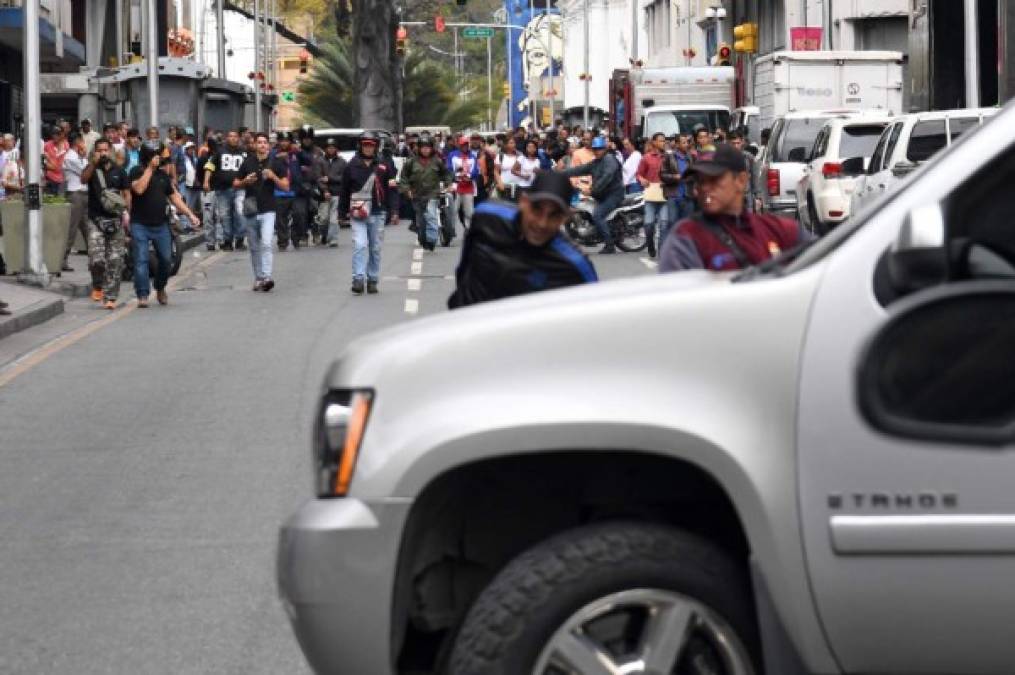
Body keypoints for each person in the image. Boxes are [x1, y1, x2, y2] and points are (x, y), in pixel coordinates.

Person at [448, 171, 597, 308]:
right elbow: (464, 268)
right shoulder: (487, 217)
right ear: (523, 202)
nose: (542, 223)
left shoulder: (575, 264)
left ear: (564, 218)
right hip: (466, 325)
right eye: (537, 210)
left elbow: (591, 316)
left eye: (554, 215)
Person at [658, 144, 813, 273]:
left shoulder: (780, 230)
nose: (704, 188)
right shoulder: (685, 238)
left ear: (741, 180)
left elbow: (823, 268)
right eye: (700, 181)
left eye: (714, 180)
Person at [128, 143, 201, 307]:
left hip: (161, 225)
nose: (159, 159)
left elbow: (174, 197)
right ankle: (142, 294)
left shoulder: (163, 176)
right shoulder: (136, 172)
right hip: (140, 224)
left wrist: (190, 215)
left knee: (167, 260)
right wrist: (149, 169)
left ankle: (160, 287)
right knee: (141, 259)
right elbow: (139, 189)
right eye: (156, 156)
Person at [339, 131, 398, 295]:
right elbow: (344, 191)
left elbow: (392, 189)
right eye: (365, 144)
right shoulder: (351, 165)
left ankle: (372, 279)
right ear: (360, 145)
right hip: (357, 213)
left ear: (376, 146)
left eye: (371, 145)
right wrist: (341, 213)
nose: (368, 148)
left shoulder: (384, 165)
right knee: (359, 244)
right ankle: (358, 278)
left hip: (378, 212)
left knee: (375, 248)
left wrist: (394, 210)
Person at [237, 132, 289, 291]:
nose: (262, 145)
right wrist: (246, 181)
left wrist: (273, 176)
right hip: (251, 209)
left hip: (268, 209)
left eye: (265, 142)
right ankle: (258, 277)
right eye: (259, 142)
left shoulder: (277, 163)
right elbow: (236, 182)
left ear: (269, 145)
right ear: (254, 145)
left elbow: (286, 186)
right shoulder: (247, 162)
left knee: (266, 243)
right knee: (254, 246)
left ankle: (267, 276)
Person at [84, 138, 131, 309]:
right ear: (95, 152)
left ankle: (111, 297)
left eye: (105, 150)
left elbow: (126, 194)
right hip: (95, 219)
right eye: (99, 150)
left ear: (111, 151)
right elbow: (83, 179)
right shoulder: (92, 170)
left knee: (115, 260)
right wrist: (92, 164)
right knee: (97, 260)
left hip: (115, 220)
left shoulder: (120, 171)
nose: (103, 153)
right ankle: (97, 285)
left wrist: (127, 214)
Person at [558, 136, 625, 254]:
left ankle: (610, 245)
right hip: (601, 195)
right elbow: (578, 170)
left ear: (604, 149)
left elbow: (606, 177)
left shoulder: (609, 159)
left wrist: (592, 190)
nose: (597, 151)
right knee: (587, 211)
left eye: (599, 149)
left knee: (598, 215)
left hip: (614, 195)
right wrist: (558, 174)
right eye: (595, 149)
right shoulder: (595, 163)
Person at [400, 133, 452, 251]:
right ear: (418, 148)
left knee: (431, 217)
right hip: (417, 195)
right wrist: (406, 190)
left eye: (428, 147)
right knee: (420, 221)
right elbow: (404, 178)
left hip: (432, 194)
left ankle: (432, 239)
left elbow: (446, 174)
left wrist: (449, 185)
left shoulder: (437, 161)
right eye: (423, 147)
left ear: (432, 148)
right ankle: (423, 238)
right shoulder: (410, 162)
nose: (425, 149)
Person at [203, 129, 248, 251]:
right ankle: (227, 240)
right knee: (224, 216)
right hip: (222, 189)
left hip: (240, 188)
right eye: (230, 136)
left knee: (240, 212)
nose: (233, 138)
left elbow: (250, 169)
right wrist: (206, 181)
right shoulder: (220, 151)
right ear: (227, 138)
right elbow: (210, 166)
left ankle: (239, 239)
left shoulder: (244, 152)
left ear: (238, 138)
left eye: (235, 136)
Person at [62, 132, 92, 272]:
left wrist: (84, 157)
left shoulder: (79, 156)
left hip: (85, 193)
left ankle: (95, 259)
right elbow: (85, 172)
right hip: (75, 194)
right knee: (71, 229)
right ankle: (62, 259)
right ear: (77, 141)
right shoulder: (70, 157)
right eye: (82, 140)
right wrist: (86, 157)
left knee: (88, 228)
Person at [636, 132, 669, 258]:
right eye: (660, 141)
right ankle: (650, 245)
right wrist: (642, 180)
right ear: (654, 142)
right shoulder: (646, 158)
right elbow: (638, 174)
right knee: (648, 225)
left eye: (664, 141)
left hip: (665, 195)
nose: (663, 143)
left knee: (664, 224)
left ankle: (661, 252)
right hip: (650, 195)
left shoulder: (668, 157)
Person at [659, 132, 694, 250]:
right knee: (672, 223)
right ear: (677, 144)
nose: (686, 144)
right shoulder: (669, 157)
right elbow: (662, 175)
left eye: (687, 142)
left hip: (688, 195)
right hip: (674, 195)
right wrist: (675, 177)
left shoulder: (691, 157)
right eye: (683, 142)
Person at [446, 136, 480, 233]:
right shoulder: (452, 155)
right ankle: (450, 230)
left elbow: (476, 170)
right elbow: (448, 168)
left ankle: (469, 230)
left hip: (468, 186)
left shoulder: (472, 157)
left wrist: (469, 176)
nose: (465, 146)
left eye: (466, 144)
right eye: (462, 144)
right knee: (453, 210)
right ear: (459, 145)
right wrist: (457, 175)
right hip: (455, 185)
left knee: (469, 211)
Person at [318, 138, 347, 247]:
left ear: (336, 149)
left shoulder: (342, 162)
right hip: (323, 195)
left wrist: (330, 178)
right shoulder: (320, 161)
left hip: (337, 193)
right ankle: (324, 235)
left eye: (333, 147)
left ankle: (333, 239)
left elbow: (344, 178)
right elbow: (318, 177)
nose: (331, 149)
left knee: (334, 219)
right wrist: (324, 190)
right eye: (329, 147)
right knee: (323, 219)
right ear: (325, 149)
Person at [728, 130, 758, 213]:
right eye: (733, 143)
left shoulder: (749, 157)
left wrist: (757, 196)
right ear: (729, 143)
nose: (736, 146)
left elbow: (754, 177)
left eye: (738, 143)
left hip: (747, 197)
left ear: (742, 142)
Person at [496, 137, 525, 202]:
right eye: (511, 143)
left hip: (518, 186)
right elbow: (496, 171)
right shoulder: (500, 156)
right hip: (505, 187)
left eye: (514, 143)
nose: (513, 145)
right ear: (506, 144)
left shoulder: (520, 155)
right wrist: (499, 182)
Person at [43, 126, 69, 195]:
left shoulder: (66, 145)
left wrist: (53, 164)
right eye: (53, 134)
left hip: (63, 179)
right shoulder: (47, 145)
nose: (55, 136)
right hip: (50, 178)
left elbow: (65, 163)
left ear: (62, 135)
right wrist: (51, 165)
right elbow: (43, 163)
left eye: (58, 134)